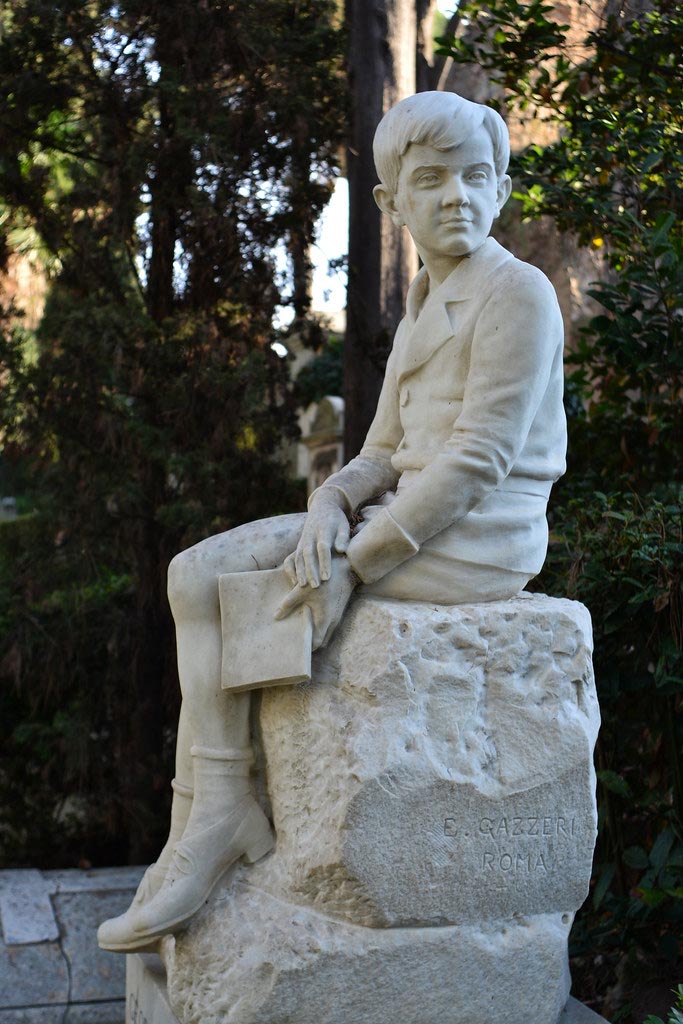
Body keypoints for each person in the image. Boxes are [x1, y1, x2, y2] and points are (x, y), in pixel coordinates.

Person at [98, 89, 566, 953]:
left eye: (474, 178)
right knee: (193, 572)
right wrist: (327, 503)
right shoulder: (425, 299)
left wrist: (354, 560)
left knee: (254, 593)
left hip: (478, 537)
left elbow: (476, 460)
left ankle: (210, 823)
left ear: (500, 188)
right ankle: (218, 804)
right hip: (402, 512)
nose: (455, 196)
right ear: (393, 206)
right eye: (430, 182)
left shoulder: (517, 293)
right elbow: (383, 446)